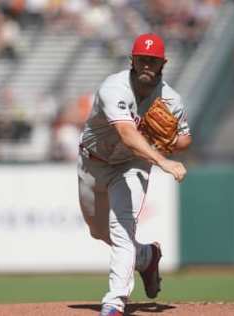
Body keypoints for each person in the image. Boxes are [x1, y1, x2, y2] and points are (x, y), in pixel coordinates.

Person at [77, 33, 192, 316]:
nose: (147, 66)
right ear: (132, 60)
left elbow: (185, 138)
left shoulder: (171, 99)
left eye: (153, 61)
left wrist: (170, 142)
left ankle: (114, 302)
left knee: (122, 228)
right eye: (142, 59)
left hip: (133, 165)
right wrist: (163, 160)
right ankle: (146, 256)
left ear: (163, 63)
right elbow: (127, 134)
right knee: (98, 231)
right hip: (93, 162)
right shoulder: (114, 88)